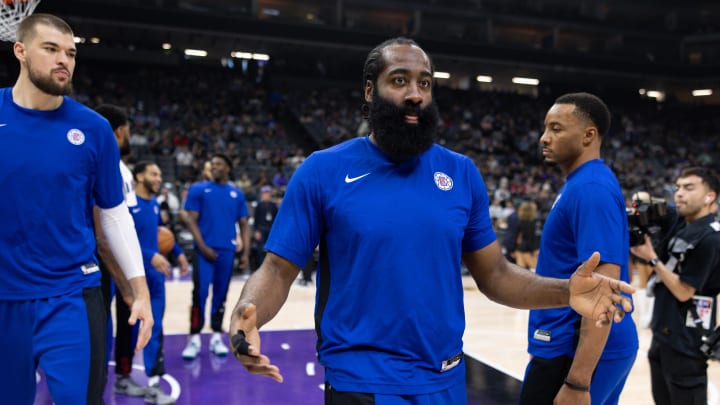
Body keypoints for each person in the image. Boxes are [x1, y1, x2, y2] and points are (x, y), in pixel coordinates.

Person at [228, 37, 635, 404]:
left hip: (444, 379)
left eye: (425, 83)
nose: (415, 94)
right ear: (370, 91)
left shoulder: (460, 173)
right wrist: (248, 311)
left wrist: (567, 292)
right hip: (361, 382)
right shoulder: (323, 170)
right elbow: (279, 270)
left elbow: (495, 275)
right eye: (400, 80)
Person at [0, 14, 152, 405]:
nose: (63, 60)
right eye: (50, 49)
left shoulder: (95, 128)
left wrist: (139, 289)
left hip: (72, 294)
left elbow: (114, 213)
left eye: (70, 52)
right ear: (20, 50)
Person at [518, 93, 639, 405]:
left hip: (574, 352)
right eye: (545, 128)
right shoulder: (583, 183)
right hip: (578, 347)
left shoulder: (590, 189)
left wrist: (578, 382)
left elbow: (604, 292)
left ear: (589, 135)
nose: (544, 138)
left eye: (556, 129)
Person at [631, 166, 720, 405]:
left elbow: (684, 291)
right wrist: (641, 202)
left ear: (709, 197)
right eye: (678, 187)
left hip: (687, 340)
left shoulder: (711, 238)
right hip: (664, 333)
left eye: (689, 188)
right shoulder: (682, 222)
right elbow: (652, 206)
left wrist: (652, 259)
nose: (679, 193)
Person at [93, 103, 152, 397]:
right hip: (102, 266)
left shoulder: (122, 170)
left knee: (122, 326)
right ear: (119, 131)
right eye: (127, 131)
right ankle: (94, 389)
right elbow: (103, 233)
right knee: (99, 331)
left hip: (121, 261)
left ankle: (120, 377)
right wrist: (127, 284)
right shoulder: (104, 166)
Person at [130, 161, 189, 404]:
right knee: (127, 333)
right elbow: (123, 241)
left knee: (155, 329)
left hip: (154, 280)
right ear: (139, 175)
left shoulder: (154, 205)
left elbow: (161, 233)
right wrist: (150, 255)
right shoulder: (127, 205)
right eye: (154, 174)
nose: (158, 178)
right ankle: (119, 378)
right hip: (131, 280)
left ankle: (153, 383)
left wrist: (178, 252)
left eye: (160, 174)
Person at [181, 153, 251, 360]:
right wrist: (202, 247)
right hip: (204, 252)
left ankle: (216, 337)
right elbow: (191, 221)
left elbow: (245, 224)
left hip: (227, 252)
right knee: (200, 294)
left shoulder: (236, 194)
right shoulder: (199, 189)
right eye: (213, 164)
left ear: (228, 168)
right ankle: (194, 337)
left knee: (221, 296)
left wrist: (245, 251)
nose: (214, 167)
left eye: (219, 164)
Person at [251, 185, 278, 271]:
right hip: (261, 229)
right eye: (264, 193)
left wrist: (275, 232)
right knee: (260, 249)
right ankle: (260, 267)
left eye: (267, 193)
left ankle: (270, 268)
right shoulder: (259, 205)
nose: (265, 195)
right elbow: (256, 219)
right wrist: (256, 231)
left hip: (271, 229)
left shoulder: (273, 205)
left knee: (271, 250)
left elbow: (276, 219)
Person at [514, 200, 540, 271]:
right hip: (528, 249)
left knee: (520, 272)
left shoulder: (518, 223)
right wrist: (534, 250)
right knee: (535, 270)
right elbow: (531, 239)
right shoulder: (532, 224)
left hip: (519, 249)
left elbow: (517, 238)